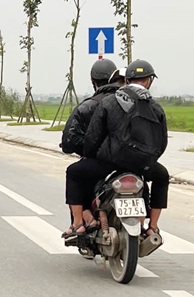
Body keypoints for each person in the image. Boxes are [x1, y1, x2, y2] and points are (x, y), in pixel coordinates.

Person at [82, 59, 170, 238]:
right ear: (149, 81)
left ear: (127, 80)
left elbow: (93, 137)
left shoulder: (109, 102)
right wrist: (148, 161)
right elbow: (162, 143)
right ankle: (153, 227)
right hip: (142, 165)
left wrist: (91, 155)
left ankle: (83, 222)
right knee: (162, 177)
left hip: (110, 162)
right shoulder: (155, 107)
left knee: (77, 173)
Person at [60, 60, 127, 237]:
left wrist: (89, 149)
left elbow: (70, 140)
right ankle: (148, 225)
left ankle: (79, 223)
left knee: (75, 173)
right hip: (131, 161)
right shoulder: (130, 103)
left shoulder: (88, 106)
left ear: (92, 81)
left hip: (102, 162)